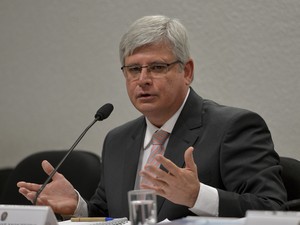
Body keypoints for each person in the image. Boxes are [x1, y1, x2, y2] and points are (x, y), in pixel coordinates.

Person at [17, 15, 287, 221]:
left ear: (187, 71)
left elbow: (272, 209)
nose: (143, 80)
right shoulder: (118, 140)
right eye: (134, 69)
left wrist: (197, 196)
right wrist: (78, 206)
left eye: (157, 67)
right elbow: (111, 215)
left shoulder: (233, 127)